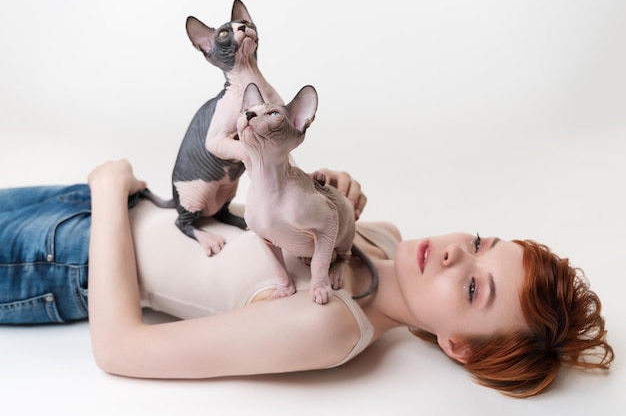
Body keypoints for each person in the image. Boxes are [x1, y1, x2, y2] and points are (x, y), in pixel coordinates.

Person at [0, 159, 614, 398]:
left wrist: (110, 193)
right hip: (113, 203)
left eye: (476, 289)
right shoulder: (386, 237)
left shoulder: (328, 325)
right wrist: (324, 195)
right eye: (481, 243)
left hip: (61, 259)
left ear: (455, 345)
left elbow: (120, 349)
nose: (457, 253)